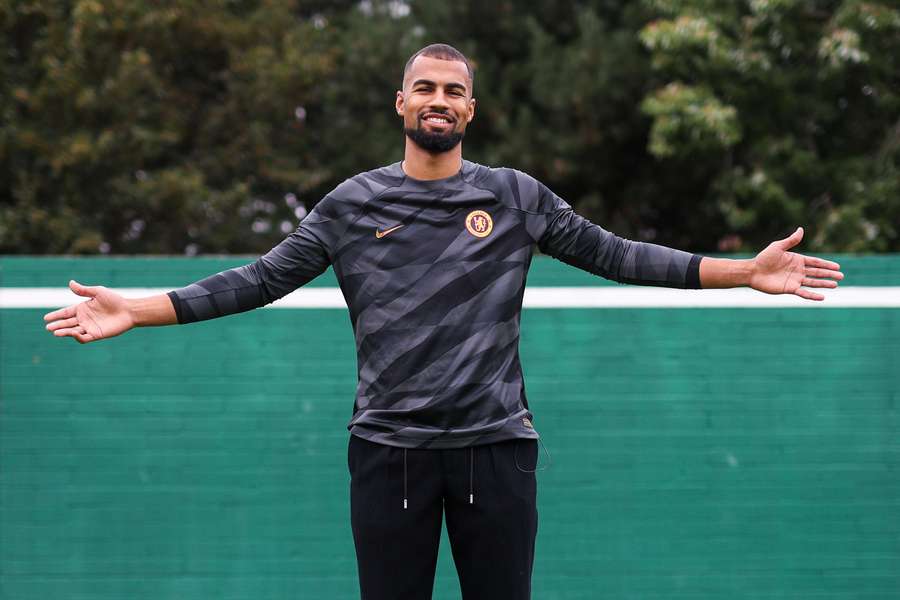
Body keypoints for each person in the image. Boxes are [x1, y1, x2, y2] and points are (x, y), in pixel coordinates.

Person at [44, 43, 844, 600]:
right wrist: (136, 311)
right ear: (401, 102)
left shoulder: (517, 198)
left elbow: (621, 255)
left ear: (471, 109)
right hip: (388, 454)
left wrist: (746, 271)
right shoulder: (352, 205)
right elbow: (258, 280)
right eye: (424, 88)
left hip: (497, 452)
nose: (438, 100)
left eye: (453, 90)